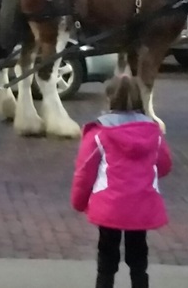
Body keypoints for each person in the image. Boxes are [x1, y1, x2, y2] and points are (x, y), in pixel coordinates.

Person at [71, 75, 172, 288]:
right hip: (142, 204)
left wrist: (79, 202)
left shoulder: (99, 134)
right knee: (139, 260)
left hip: (110, 205)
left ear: (109, 100)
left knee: (106, 261)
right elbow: (164, 165)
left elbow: (84, 172)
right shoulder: (154, 133)